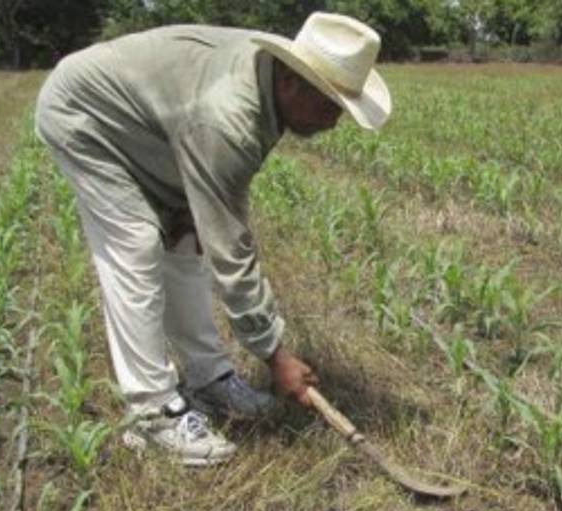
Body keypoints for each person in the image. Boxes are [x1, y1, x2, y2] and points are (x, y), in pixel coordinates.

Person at [33, 13, 391, 465]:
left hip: (154, 123)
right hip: (86, 115)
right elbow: (232, 254)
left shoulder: (269, 86)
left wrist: (188, 209)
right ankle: (151, 414)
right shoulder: (228, 118)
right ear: (291, 82)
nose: (334, 121)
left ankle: (209, 379)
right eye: (329, 106)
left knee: (185, 241)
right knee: (136, 244)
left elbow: (199, 156)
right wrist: (275, 355)